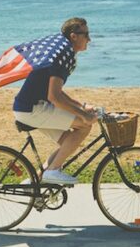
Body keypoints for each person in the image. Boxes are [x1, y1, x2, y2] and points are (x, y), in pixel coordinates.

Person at [12, 17, 97, 185]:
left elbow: (57, 94)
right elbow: (55, 98)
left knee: (68, 142)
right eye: (86, 34)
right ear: (74, 36)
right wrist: (83, 115)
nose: (89, 39)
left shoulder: (62, 51)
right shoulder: (62, 56)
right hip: (33, 109)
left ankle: (37, 180)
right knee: (84, 125)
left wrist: (82, 107)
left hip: (30, 107)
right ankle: (52, 171)